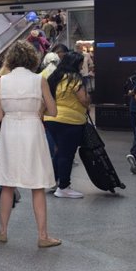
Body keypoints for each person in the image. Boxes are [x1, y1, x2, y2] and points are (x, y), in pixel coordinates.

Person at [0, 41, 61, 248]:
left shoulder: (2, 81)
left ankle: (2, 231)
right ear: (32, 59)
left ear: (10, 59)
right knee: (37, 185)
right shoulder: (40, 80)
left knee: (7, 184)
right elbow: (54, 111)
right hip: (33, 131)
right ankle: (43, 235)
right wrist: (38, 111)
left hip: (10, 131)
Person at [44, 52, 90, 199]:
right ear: (76, 64)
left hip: (51, 118)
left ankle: (53, 180)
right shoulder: (74, 78)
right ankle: (64, 186)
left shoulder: (54, 77)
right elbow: (83, 100)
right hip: (69, 121)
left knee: (59, 151)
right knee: (67, 153)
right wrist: (89, 98)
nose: (82, 67)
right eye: (81, 64)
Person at [126, 71, 136, 171]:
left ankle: (134, 155)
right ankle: (135, 155)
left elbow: (135, 95)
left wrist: (132, 93)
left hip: (135, 109)